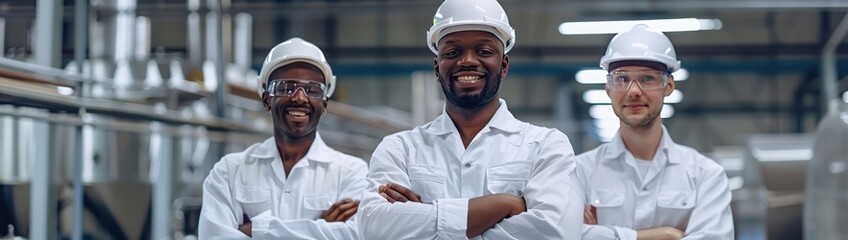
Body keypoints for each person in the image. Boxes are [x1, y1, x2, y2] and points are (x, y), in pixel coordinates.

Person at [356, 0, 583, 239]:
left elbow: (558, 232)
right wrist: (503, 204)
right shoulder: (399, 149)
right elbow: (374, 228)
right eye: (452, 52)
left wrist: (423, 217)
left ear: (504, 65)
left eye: (483, 51)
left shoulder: (545, 146)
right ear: (437, 69)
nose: (467, 61)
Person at [198, 37, 368, 239]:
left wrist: (257, 230)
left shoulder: (351, 173)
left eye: (312, 90)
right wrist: (321, 228)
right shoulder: (230, 171)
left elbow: (355, 235)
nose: (299, 97)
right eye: (286, 87)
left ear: (324, 104)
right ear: (266, 99)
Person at [575, 25, 734, 240]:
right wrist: (665, 235)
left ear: (668, 86)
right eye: (621, 79)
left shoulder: (705, 175)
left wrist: (601, 234)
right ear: (608, 89)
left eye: (647, 79)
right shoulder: (579, 173)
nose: (633, 91)